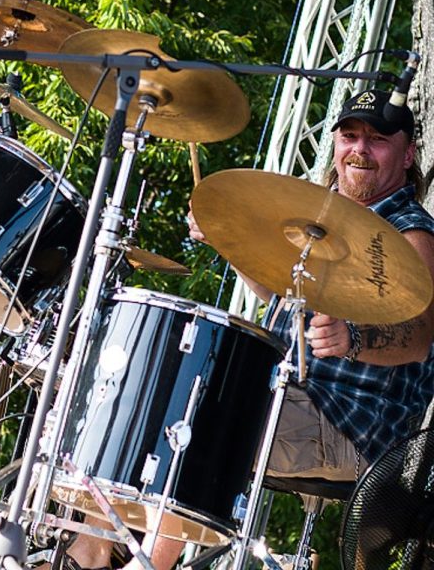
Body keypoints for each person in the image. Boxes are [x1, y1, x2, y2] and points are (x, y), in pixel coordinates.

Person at [47, 88, 434, 570]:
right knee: (133, 385)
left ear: (408, 153)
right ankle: (89, 552)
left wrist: (354, 340)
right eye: (350, 136)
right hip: (288, 395)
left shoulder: (411, 232)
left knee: (200, 409)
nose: (359, 149)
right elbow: (280, 296)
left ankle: (150, 564)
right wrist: (228, 241)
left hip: (348, 427)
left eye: (377, 139)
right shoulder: (328, 213)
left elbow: (418, 339)